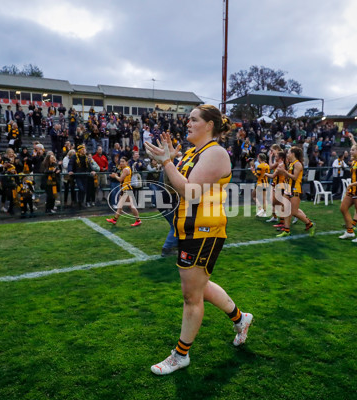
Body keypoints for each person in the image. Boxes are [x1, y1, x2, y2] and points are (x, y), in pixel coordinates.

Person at [144, 105, 252, 375]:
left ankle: (180, 355)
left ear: (209, 125)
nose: (187, 123)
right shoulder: (194, 152)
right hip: (189, 228)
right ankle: (241, 319)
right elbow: (174, 187)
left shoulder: (215, 152)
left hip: (205, 230)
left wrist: (168, 162)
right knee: (198, 286)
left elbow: (190, 192)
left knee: (191, 295)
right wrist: (168, 160)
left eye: (193, 119)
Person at [274, 146, 316, 237]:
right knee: (286, 209)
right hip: (288, 189)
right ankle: (287, 230)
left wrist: (284, 171)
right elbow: (289, 176)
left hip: (295, 190)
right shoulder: (291, 164)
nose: (287, 154)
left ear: (293, 154)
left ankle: (309, 223)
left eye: (288, 152)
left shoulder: (298, 164)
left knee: (293, 212)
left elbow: (295, 177)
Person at [105, 156, 142, 227]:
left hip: (126, 190)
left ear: (126, 162)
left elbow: (120, 179)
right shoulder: (124, 168)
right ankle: (115, 220)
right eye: (120, 161)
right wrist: (116, 171)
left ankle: (138, 220)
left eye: (123, 161)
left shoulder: (126, 169)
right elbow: (117, 170)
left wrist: (115, 176)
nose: (121, 163)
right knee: (124, 206)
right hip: (125, 189)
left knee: (127, 206)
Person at [251, 153, 270, 217]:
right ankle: (264, 213)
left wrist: (253, 171)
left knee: (254, 196)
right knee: (264, 199)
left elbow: (257, 175)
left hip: (260, 183)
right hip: (266, 183)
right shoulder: (267, 165)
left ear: (260, 158)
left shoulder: (260, 166)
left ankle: (260, 208)